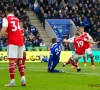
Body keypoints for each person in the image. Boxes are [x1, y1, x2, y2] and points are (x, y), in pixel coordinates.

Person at [0, 6, 26, 87]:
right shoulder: (17, 19)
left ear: (6, 12)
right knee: (20, 62)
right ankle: (23, 79)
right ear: (13, 12)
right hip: (20, 42)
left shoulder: (6, 19)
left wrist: (1, 35)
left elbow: (4, 29)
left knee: (12, 62)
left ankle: (12, 82)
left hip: (12, 42)